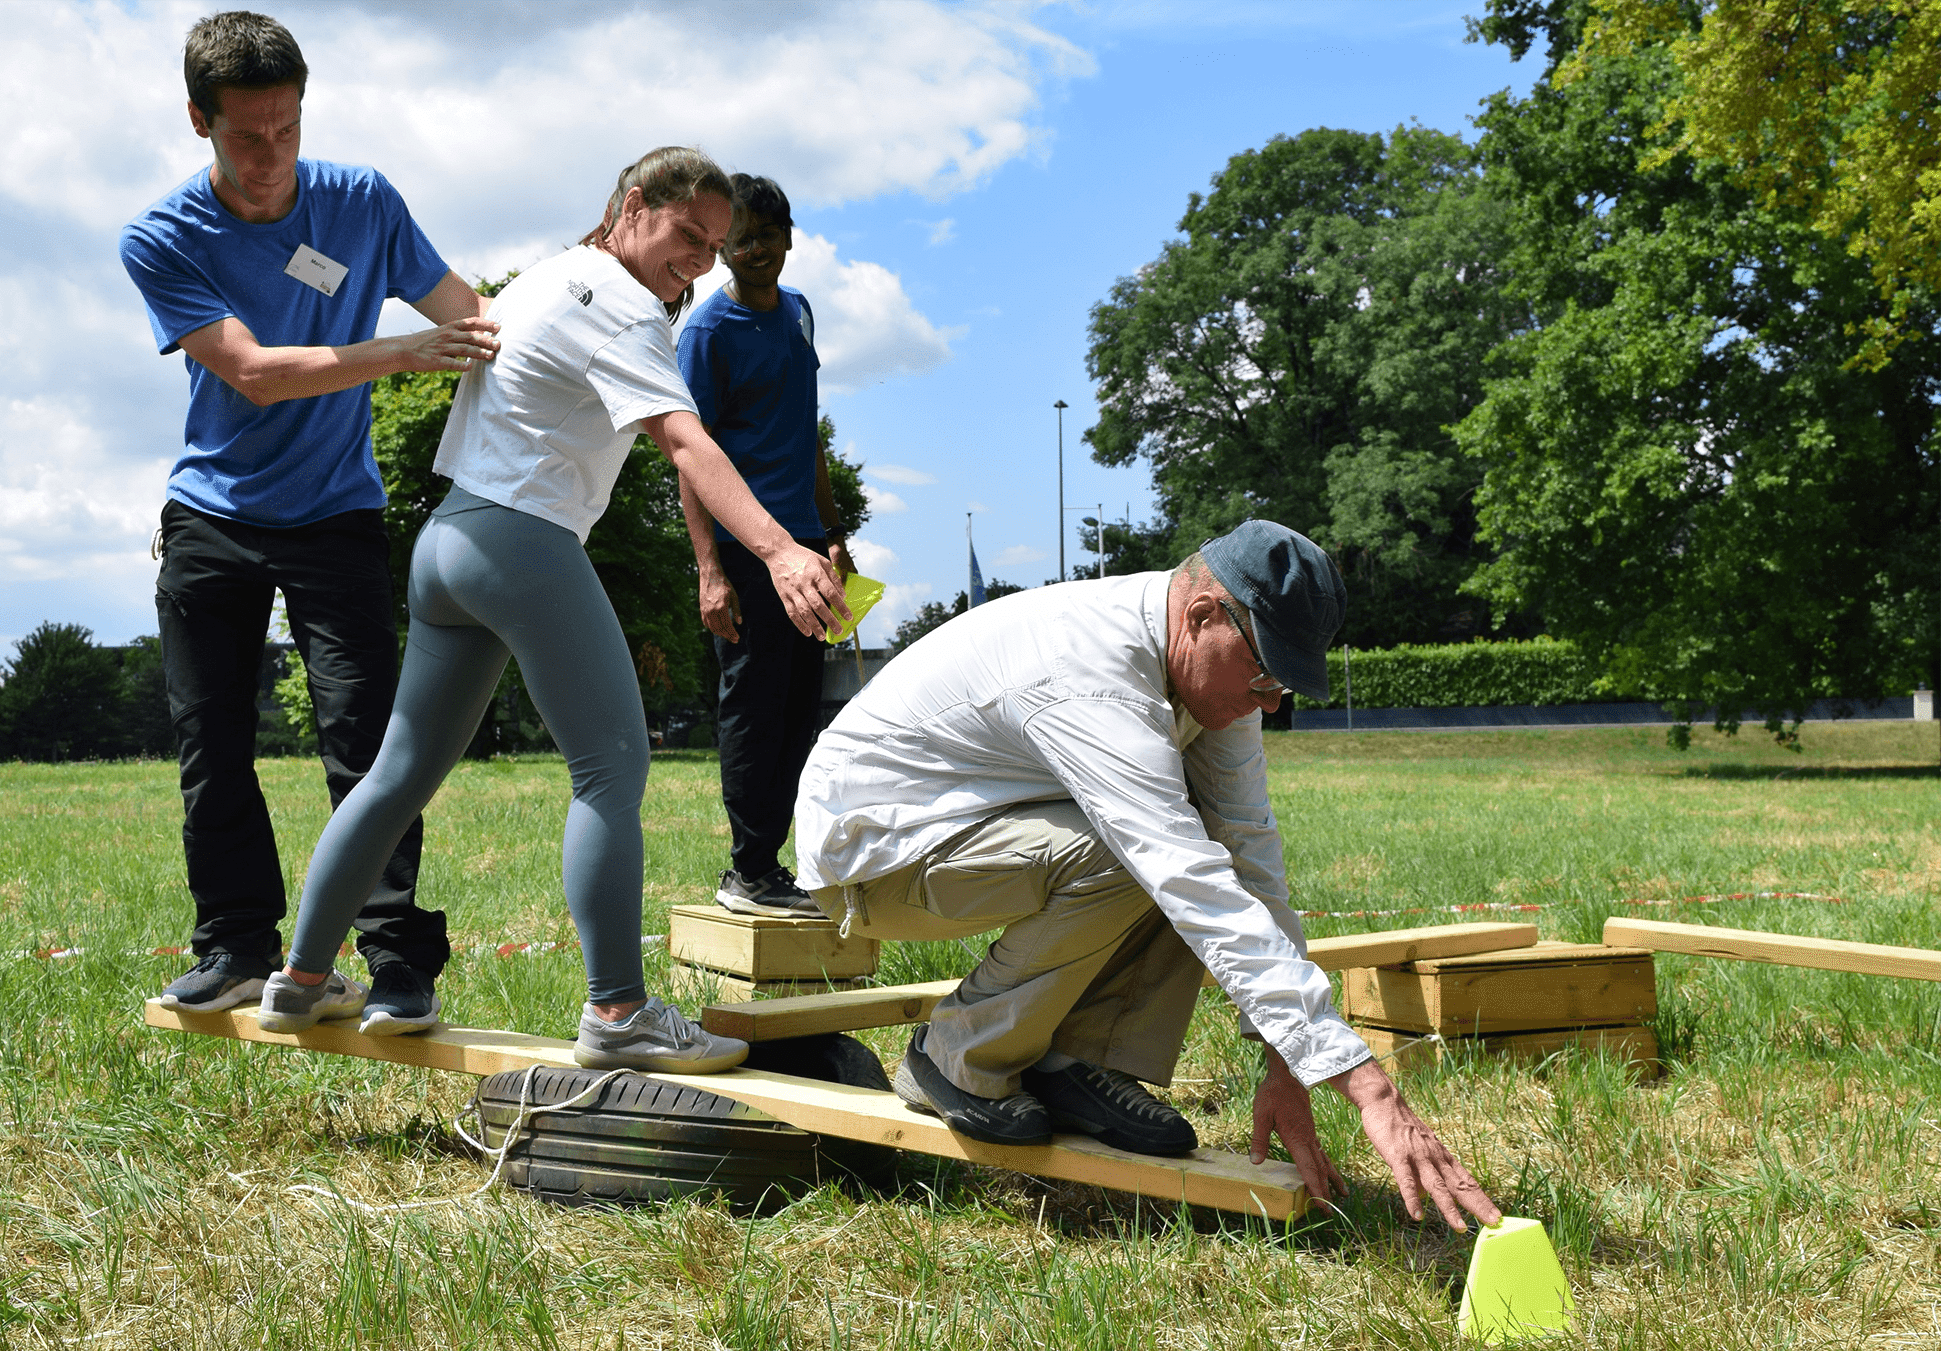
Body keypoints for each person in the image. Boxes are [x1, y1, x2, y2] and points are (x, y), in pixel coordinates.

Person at [256, 148, 850, 1074]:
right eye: (686, 236)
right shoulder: (620, 304)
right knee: (612, 767)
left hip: (447, 542)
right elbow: (683, 440)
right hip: (520, 541)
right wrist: (776, 549)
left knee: (397, 772)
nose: (697, 261)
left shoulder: (542, 278)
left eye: (713, 247)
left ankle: (299, 976)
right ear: (627, 207)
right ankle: (618, 1009)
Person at [793, 521, 1502, 1228]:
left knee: (1185, 838)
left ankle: (1066, 1059)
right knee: (1144, 847)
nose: (1270, 702)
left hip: (976, 824)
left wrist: (1287, 1062)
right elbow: (1182, 871)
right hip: (879, 854)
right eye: (1264, 674)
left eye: (1282, 682)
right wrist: (1367, 1085)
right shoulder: (1092, 676)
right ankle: (954, 1056)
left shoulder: (1207, 666)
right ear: (1200, 615)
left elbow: (1247, 850)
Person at [119, 11, 501, 1025]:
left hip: (336, 513)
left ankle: (395, 958)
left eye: (286, 127)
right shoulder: (162, 237)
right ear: (198, 120)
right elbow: (251, 373)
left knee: (370, 741)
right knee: (213, 743)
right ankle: (236, 947)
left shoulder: (362, 202)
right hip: (213, 515)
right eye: (247, 134)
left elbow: (468, 311)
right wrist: (399, 351)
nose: (270, 154)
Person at [676, 174, 854, 918]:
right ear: (719, 249)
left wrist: (833, 532)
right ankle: (747, 870)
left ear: (789, 235)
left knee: (797, 710)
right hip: (746, 549)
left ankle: (780, 865)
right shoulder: (706, 334)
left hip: (806, 549)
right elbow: (688, 453)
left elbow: (806, 427)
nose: (754, 251)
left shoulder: (801, 315)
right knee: (752, 705)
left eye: (765, 236)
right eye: (738, 240)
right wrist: (709, 569)